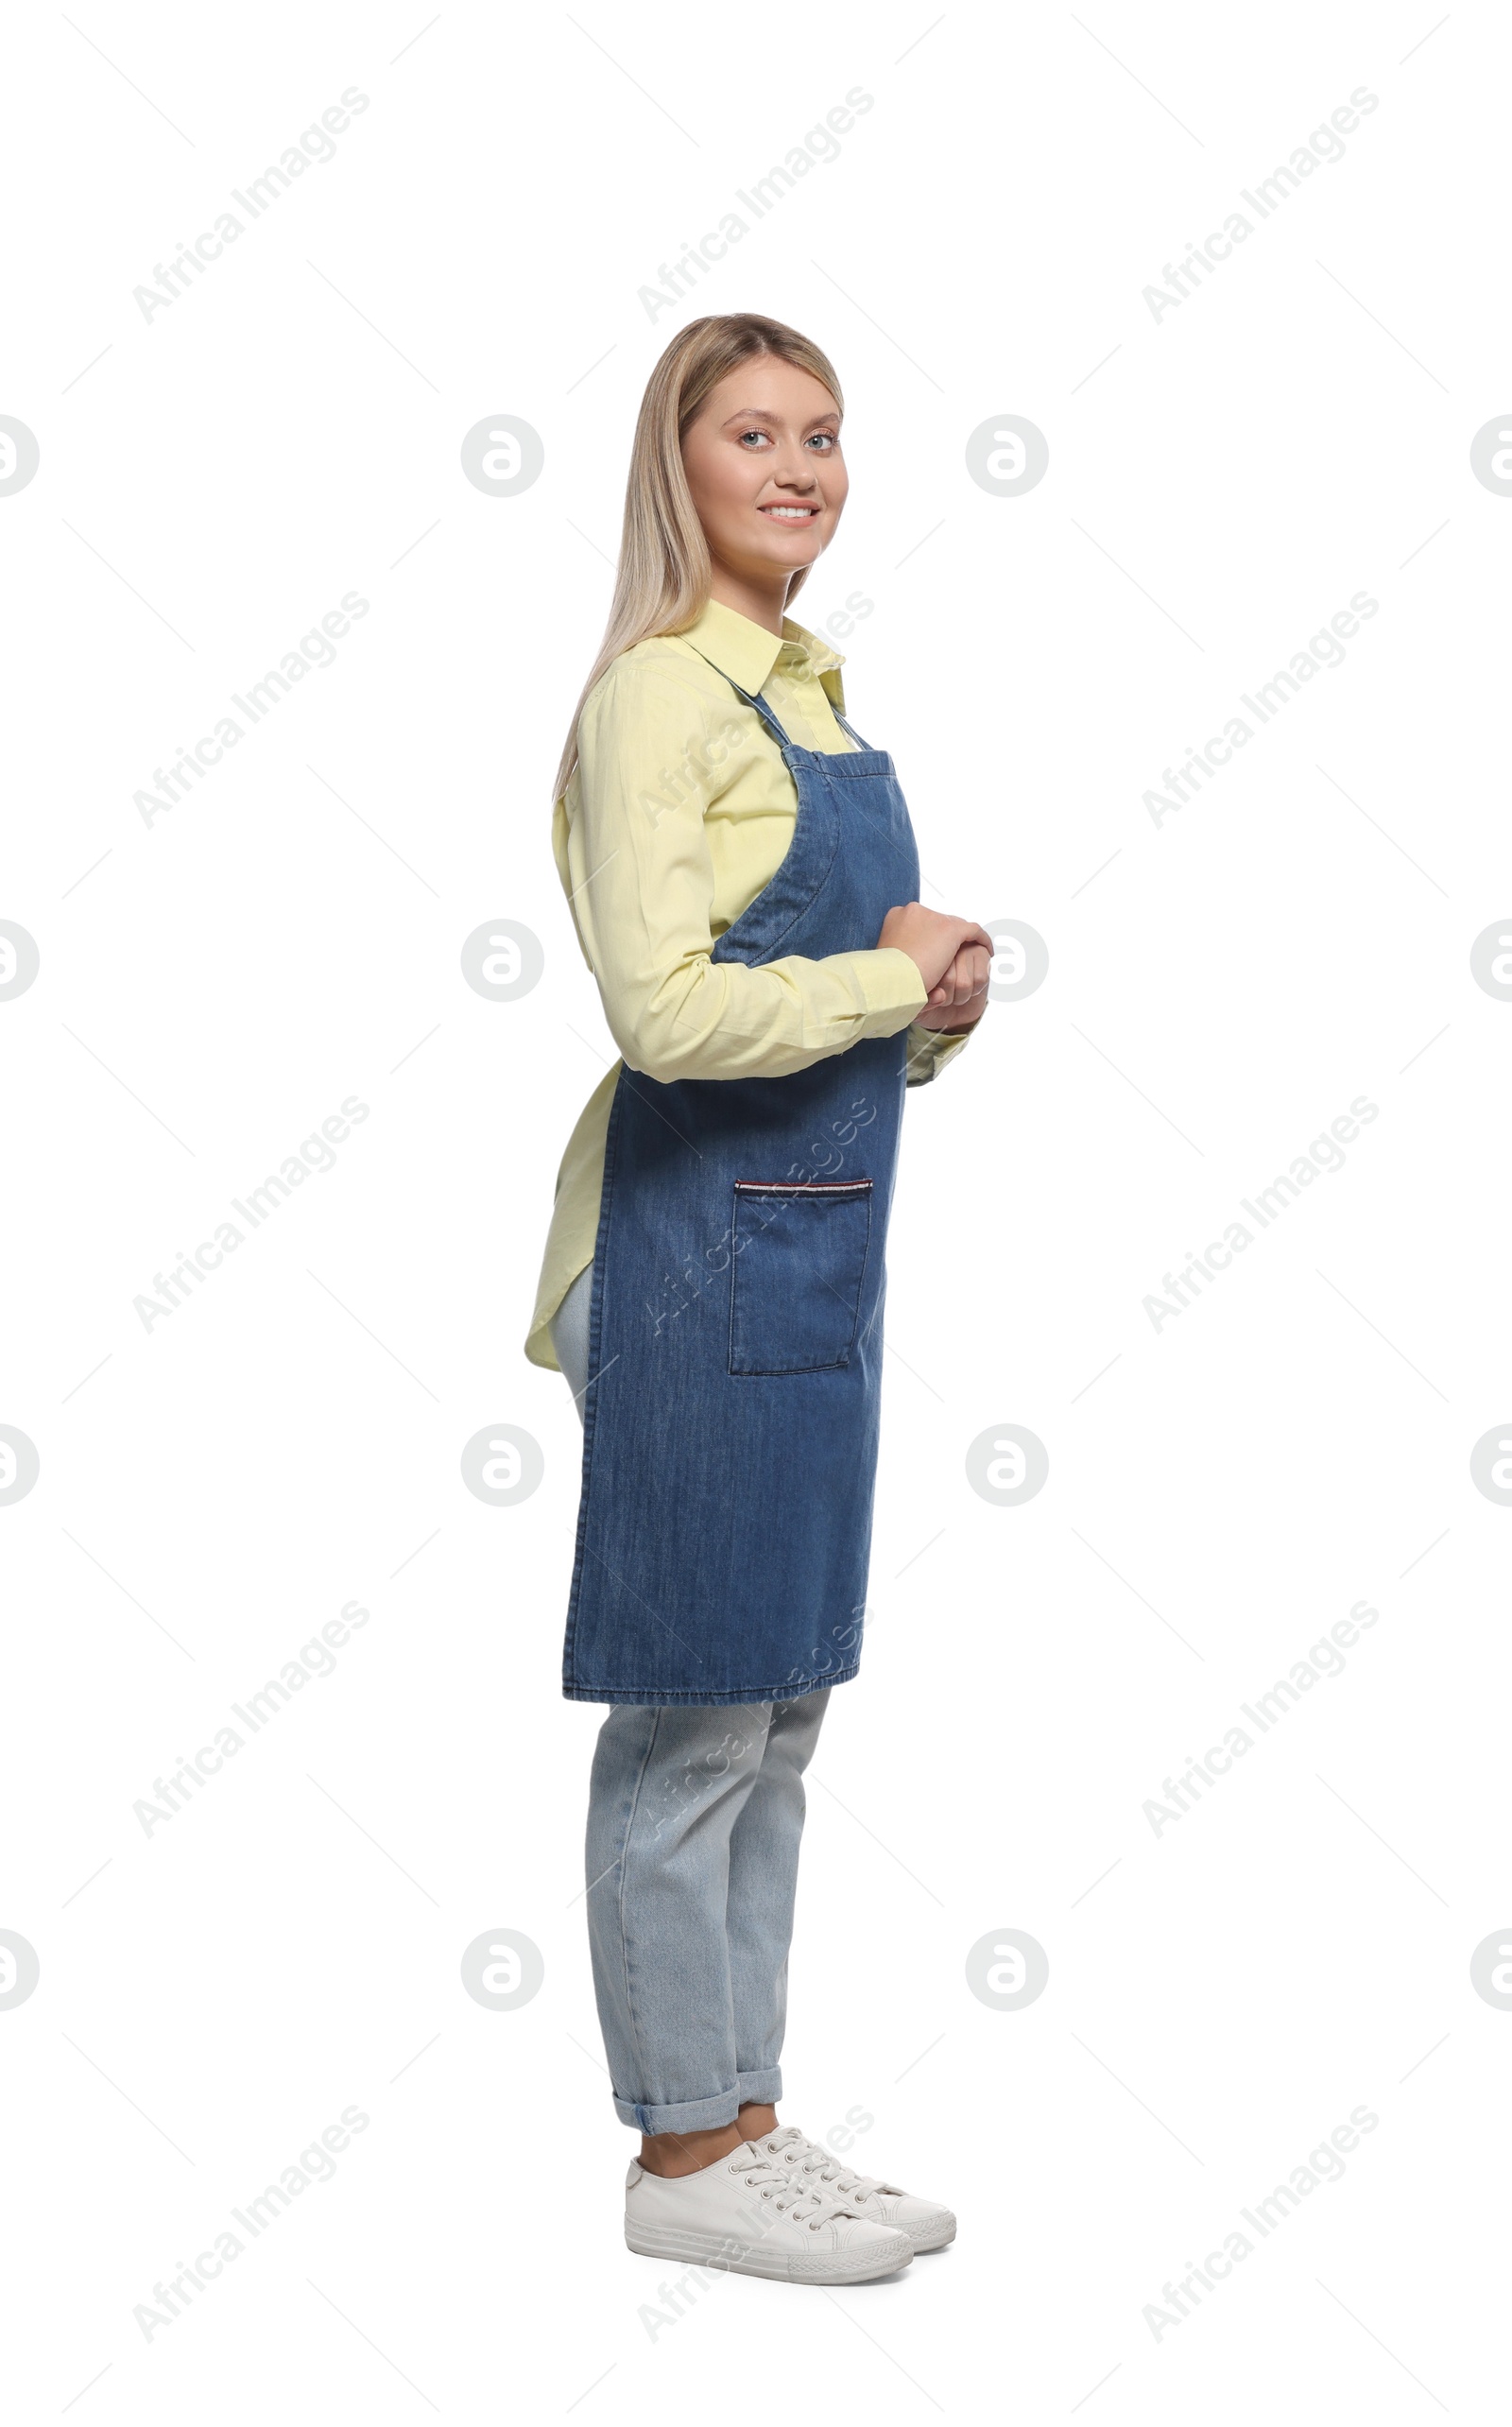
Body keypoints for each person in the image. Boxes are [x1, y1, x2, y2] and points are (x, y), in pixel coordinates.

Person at [525, 313, 991, 2284]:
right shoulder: (661, 698)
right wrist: (892, 983)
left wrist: (936, 1010)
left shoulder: (814, 694)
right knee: (692, 1722)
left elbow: (826, 1011)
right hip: (698, 1259)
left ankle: (743, 2116)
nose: (797, 467)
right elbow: (662, 1013)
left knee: (778, 1709)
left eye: (821, 434)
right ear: (678, 465)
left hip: (813, 1255)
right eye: (752, 434)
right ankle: (677, 2155)